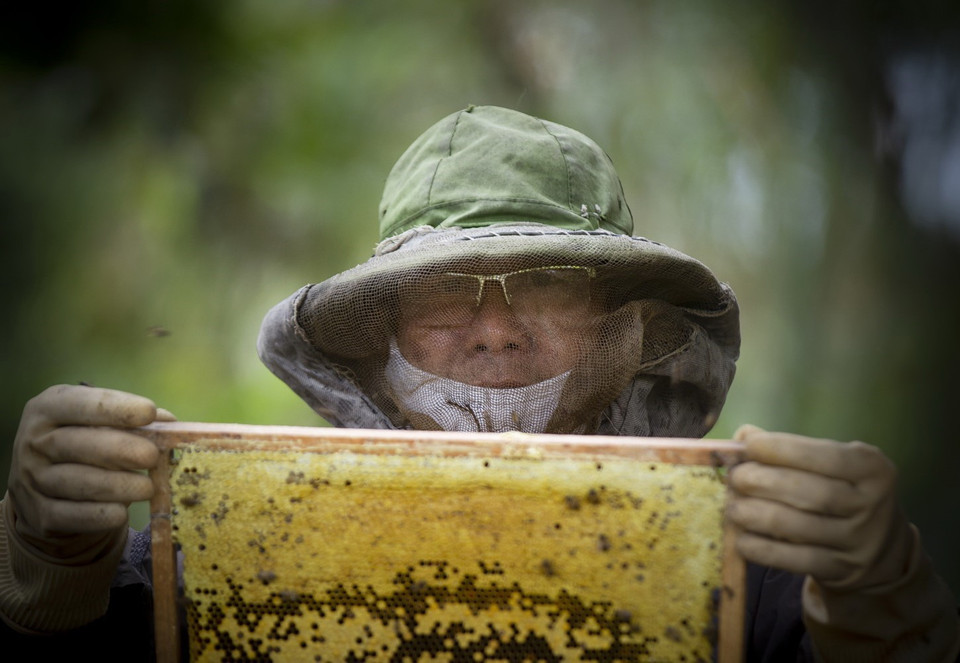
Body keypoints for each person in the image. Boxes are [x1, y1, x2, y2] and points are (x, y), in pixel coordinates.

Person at [1, 105, 957, 662]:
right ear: (377, 338)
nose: (495, 328)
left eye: (548, 284)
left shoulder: (753, 574)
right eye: (442, 292)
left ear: (628, 326)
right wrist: (55, 558)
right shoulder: (234, 550)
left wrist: (876, 593)